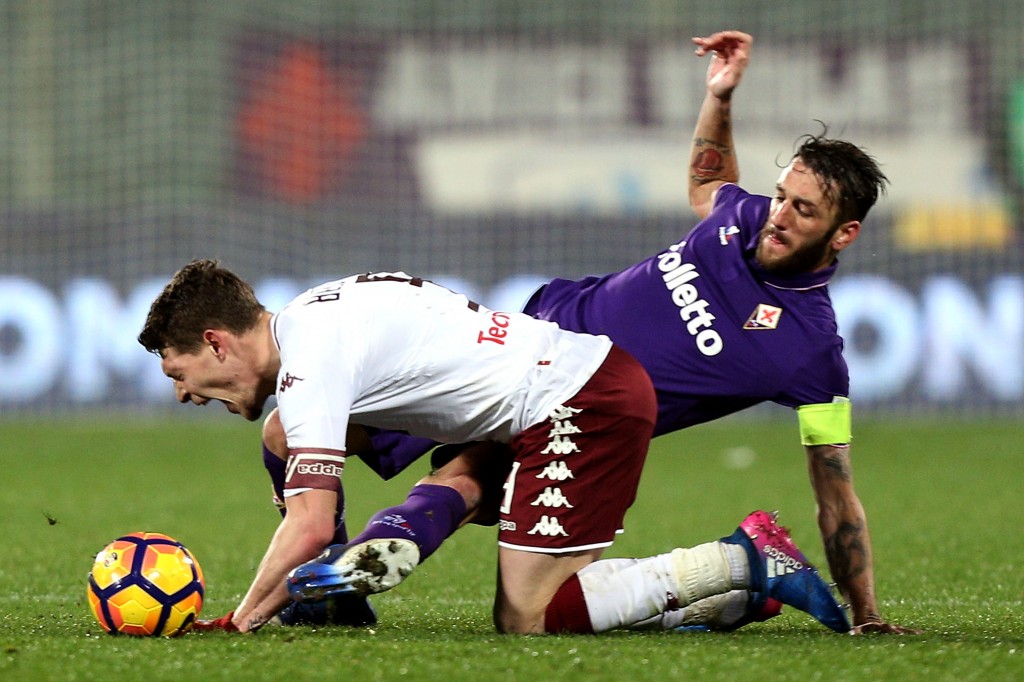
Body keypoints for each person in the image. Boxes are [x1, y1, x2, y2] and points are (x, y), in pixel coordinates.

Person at [279, 30, 920, 635]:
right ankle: (339, 576)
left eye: (802, 210)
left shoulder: (811, 351)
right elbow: (708, 180)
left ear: (845, 234)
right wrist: (718, 97)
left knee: (478, 506)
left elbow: (835, 486)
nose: (777, 217)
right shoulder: (744, 217)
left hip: (585, 416)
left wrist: (864, 612)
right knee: (291, 431)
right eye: (781, 194)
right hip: (523, 337)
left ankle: (345, 577)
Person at [138, 260, 846, 634]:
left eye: (180, 373)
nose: (183, 393)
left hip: (582, 402)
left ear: (216, 342)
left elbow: (311, 518)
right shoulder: (310, 321)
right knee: (283, 432)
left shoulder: (309, 359)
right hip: (521, 402)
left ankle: (739, 558)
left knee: (527, 616)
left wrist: (244, 618)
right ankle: (334, 597)